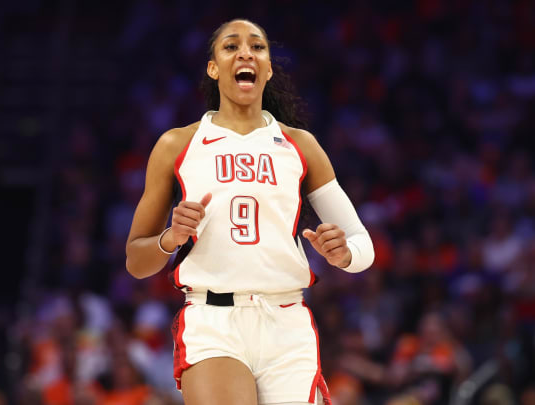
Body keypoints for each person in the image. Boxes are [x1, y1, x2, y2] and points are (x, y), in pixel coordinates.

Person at [125, 19, 374, 405]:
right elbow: (136, 261)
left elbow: (362, 246)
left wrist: (345, 254)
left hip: (286, 322)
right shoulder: (177, 144)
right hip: (213, 320)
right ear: (213, 67)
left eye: (257, 47)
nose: (246, 53)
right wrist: (169, 239)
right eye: (231, 46)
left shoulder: (301, 146)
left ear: (269, 69)